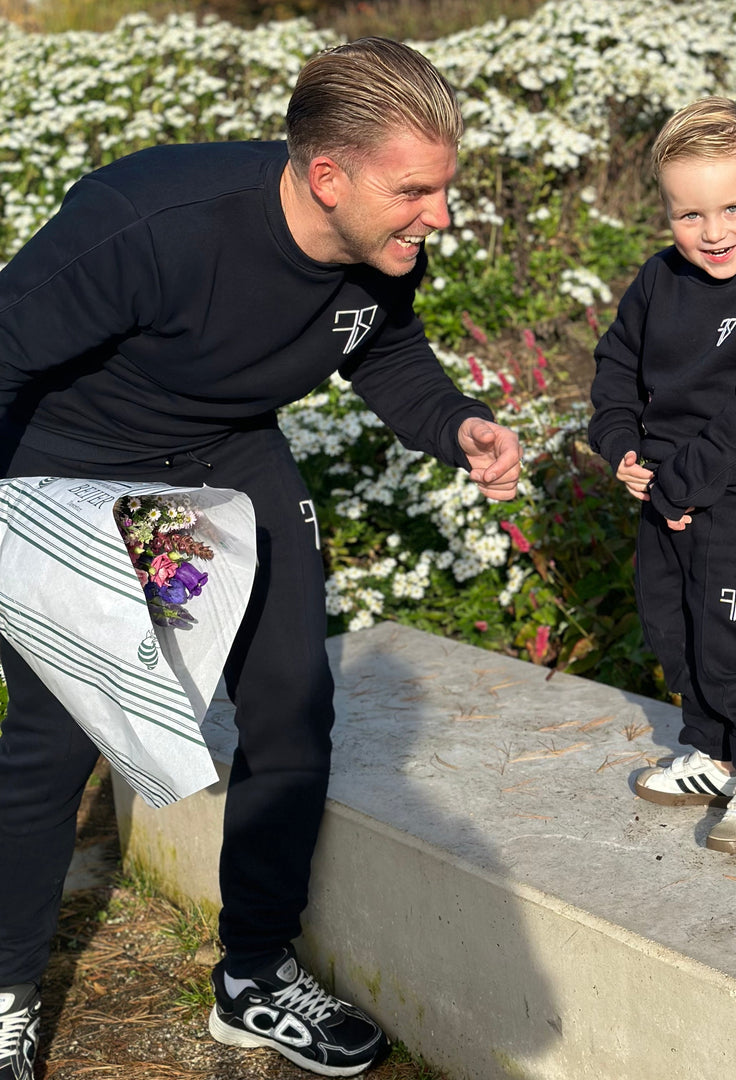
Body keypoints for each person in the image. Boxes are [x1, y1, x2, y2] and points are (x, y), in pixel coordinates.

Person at [0, 37, 521, 1080]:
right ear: (328, 176)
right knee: (55, 746)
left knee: (291, 706)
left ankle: (253, 977)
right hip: (76, 474)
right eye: (416, 191)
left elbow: (381, 343)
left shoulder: (382, 242)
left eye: (443, 188)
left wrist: (454, 425)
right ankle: (6, 991)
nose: (440, 217)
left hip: (228, 463)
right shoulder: (150, 222)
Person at [588, 97, 736, 857]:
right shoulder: (660, 281)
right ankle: (715, 754)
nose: (714, 231)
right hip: (667, 491)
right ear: (665, 210)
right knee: (673, 623)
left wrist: (682, 484)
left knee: (729, 633)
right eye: (690, 214)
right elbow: (617, 364)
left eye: (734, 207)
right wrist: (619, 442)